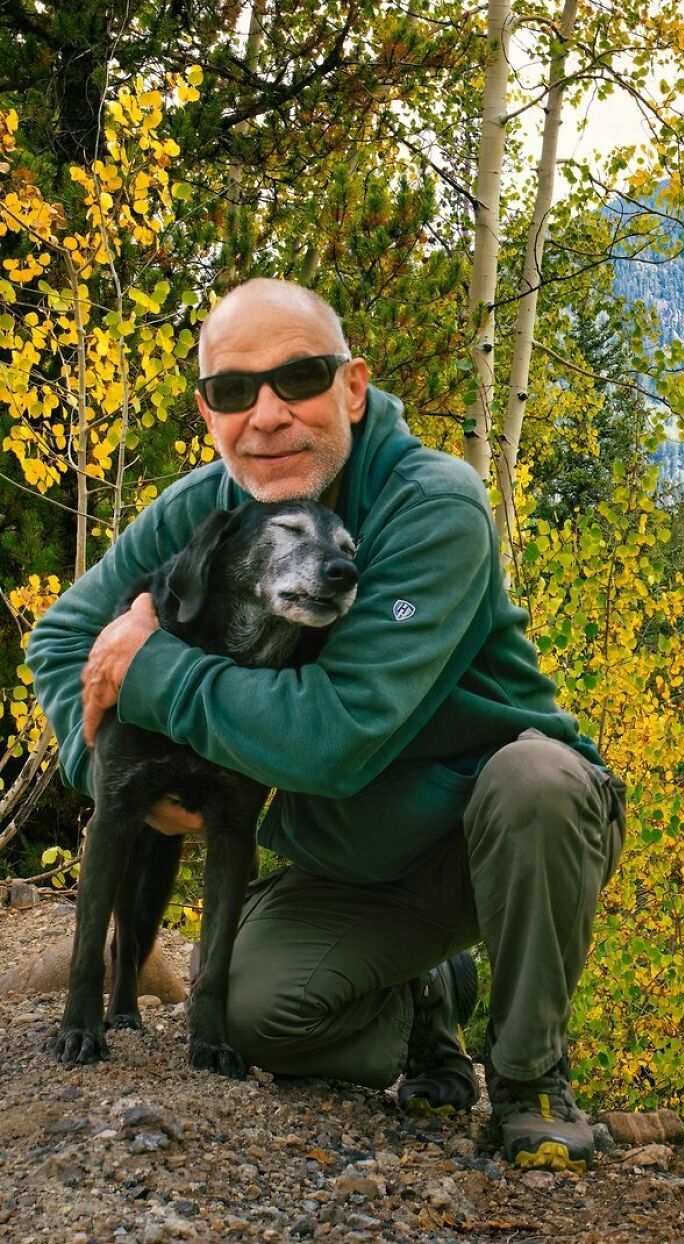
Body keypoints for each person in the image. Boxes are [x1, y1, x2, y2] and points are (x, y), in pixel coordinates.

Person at [27, 278, 626, 1173]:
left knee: (534, 780)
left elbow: (335, 736)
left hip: (495, 834)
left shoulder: (433, 504)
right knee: (244, 1015)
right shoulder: (210, 506)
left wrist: (153, 667)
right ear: (209, 412)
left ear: (351, 387)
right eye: (235, 391)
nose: (265, 415)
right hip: (353, 860)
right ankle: (422, 995)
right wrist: (108, 770)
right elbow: (64, 636)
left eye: (298, 379)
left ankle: (530, 1080)